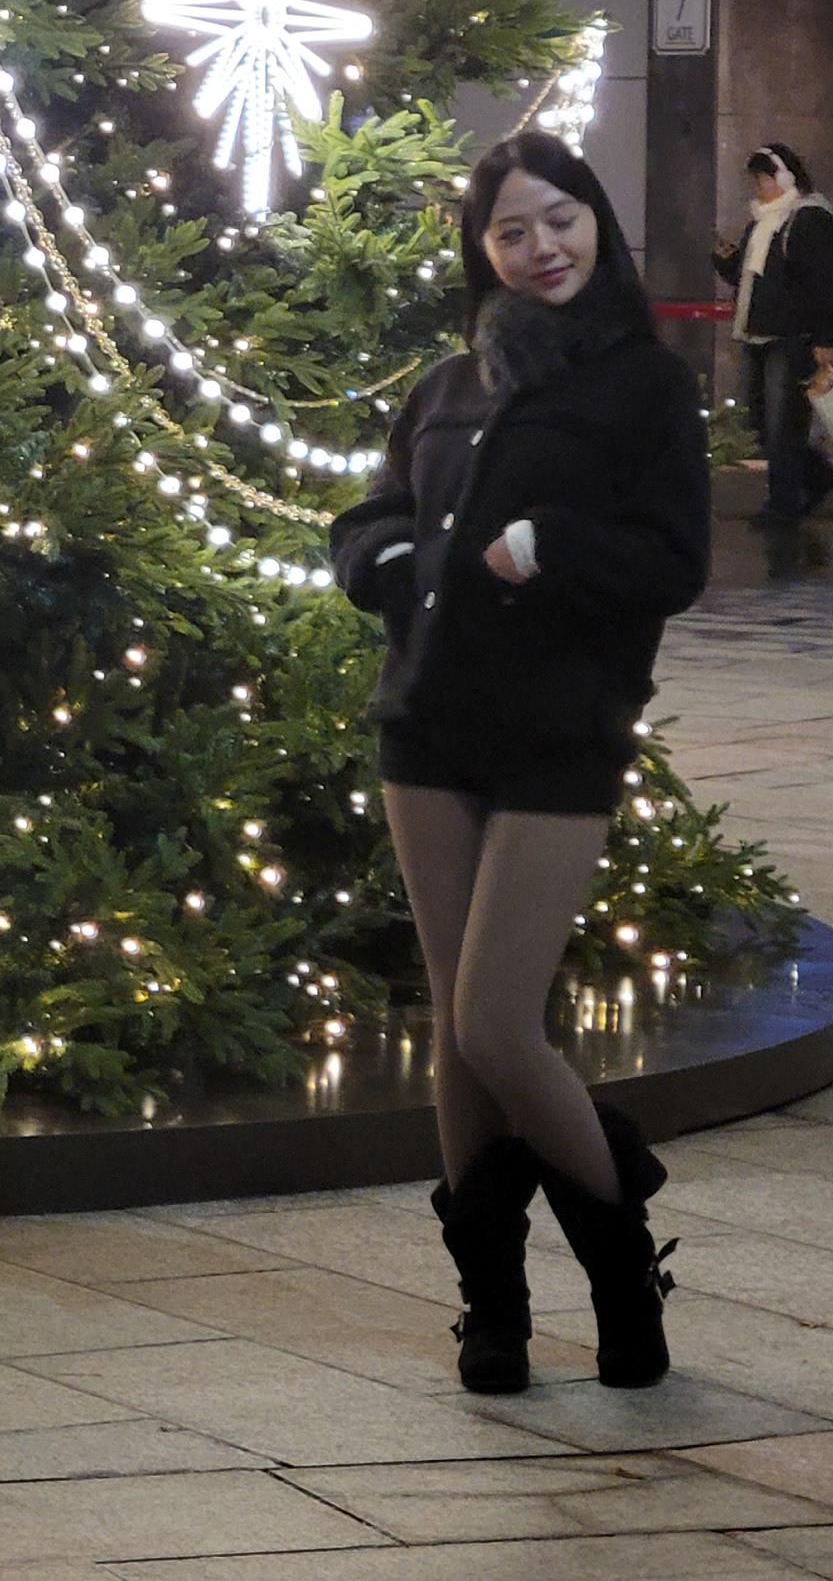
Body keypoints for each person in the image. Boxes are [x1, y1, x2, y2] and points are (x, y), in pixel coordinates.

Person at [330, 130, 707, 1397]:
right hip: (428, 725)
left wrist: (553, 548)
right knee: (456, 1025)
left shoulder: (644, 385)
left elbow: (675, 562)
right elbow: (377, 509)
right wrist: (383, 562)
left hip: (560, 732)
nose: (540, 247)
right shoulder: (450, 381)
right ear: (481, 248)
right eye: (511, 230)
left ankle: (622, 1272)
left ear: (596, 222)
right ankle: (491, 1307)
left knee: (499, 1019)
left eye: (559, 219)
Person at [713, 144, 833, 528]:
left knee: (783, 425)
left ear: (786, 177)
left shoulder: (809, 219)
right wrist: (724, 259)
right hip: (757, 335)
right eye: (756, 180)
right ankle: (816, 476)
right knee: (758, 421)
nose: (759, 187)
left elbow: (825, 283)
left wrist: (825, 338)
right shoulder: (761, 223)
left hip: (792, 339)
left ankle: (783, 504)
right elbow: (747, 275)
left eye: (764, 178)